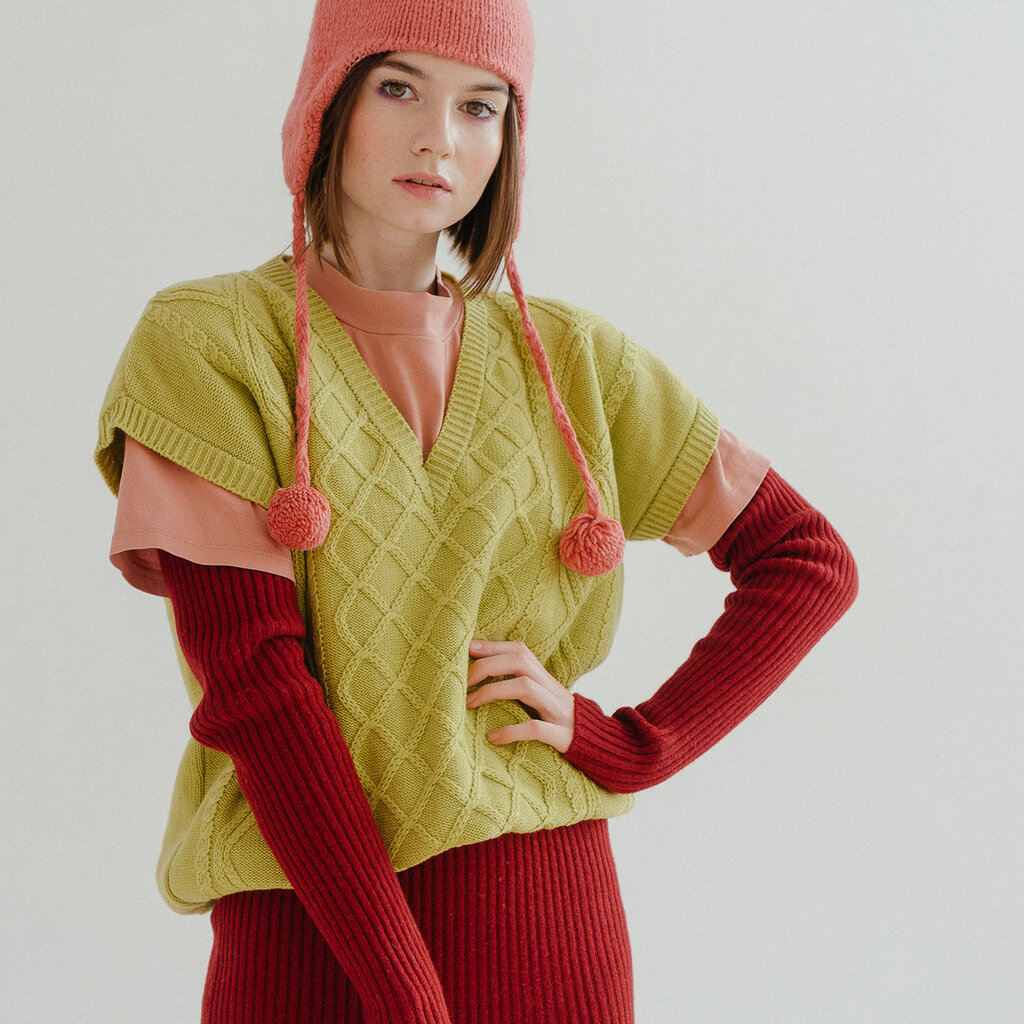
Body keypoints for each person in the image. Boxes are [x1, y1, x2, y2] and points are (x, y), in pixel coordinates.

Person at [94, 1, 857, 1021]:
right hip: (305, 932)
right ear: (326, 103)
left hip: (544, 919)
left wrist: (635, 743)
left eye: (480, 107)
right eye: (397, 87)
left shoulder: (576, 361)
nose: (438, 140)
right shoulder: (211, 343)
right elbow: (259, 693)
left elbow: (806, 560)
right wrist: (409, 996)